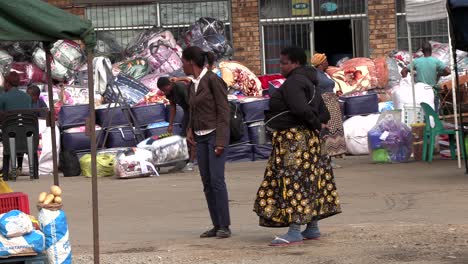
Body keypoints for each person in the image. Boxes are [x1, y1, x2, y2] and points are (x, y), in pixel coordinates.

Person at [253, 47, 341, 246]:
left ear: (295, 64)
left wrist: (315, 123)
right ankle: (312, 227)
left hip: (294, 141)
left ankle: (294, 231)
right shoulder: (310, 81)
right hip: (309, 141)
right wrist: (317, 124)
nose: (281, 66)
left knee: (293, 182)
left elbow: (300, 109)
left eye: (284, 62)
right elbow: (324, 112)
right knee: (310, 181)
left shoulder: (294, 83)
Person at [182, 46, 232, 238]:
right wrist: (189, 130)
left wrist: (220, 140)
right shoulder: (192, 84)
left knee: (217, 180)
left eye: (183, 61)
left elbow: (223, 111)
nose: (182, 65)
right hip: (200, 138)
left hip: (214, 137)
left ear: (191, 62)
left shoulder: (213, 80)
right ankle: (216, 224)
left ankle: (225, 225)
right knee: (207, 182)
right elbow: (192, 110)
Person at [311, 53, 347, 168]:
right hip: (325, 105)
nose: (327, 62)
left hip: (332, 104)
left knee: (334, 130)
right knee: (328, 131)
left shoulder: (324, 74)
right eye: (325, 61)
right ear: (321, 63)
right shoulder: (316, 75)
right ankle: (326, 159)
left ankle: (330, 158)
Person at [156, 77, 195, 171]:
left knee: (191, 136)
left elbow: (191, 106)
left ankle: (191, 162)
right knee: (183, 137)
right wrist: (170, 125)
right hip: (187, 111)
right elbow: (173, 107)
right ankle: (184, 161)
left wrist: (190, 126)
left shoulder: (180, 87)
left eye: (165, 90)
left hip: (195, 110)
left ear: (169, 85)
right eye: (162, 91)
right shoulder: (169, 93)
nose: (164, 93)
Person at [401, 42, 450, 112]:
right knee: (434, 114)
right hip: (432, 91)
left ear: (422, 51)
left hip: (420, 92)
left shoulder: (417, 61)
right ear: (431, 50)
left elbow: (403, 71)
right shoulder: (436, 61)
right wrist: (439, 74)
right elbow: (448, 71)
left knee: (421, 114)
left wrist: (407, 82)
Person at [0, 72, 32, 180]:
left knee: (10, 131)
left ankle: (7, 171)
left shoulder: (3, 97)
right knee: (18, 129)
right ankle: (18, 167)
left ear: (8, 83)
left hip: (9, 134)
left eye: (4, 82)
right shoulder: (27, 97)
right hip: (25, 134)